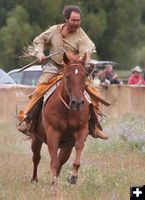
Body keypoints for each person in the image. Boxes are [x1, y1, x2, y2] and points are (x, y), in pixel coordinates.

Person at [17, 5, 108, 140]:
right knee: (39, 90)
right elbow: (39, 39)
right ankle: (27, 120)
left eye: (78, 20)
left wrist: (75, 63)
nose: (76, 23)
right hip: (54, 68)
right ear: (66, 19)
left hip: (73, 70)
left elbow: (85, 55)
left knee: (92, 95)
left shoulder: (83, 37)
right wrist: (40, 53)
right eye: (73, 20)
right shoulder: (54, 31)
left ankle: (95, 126)